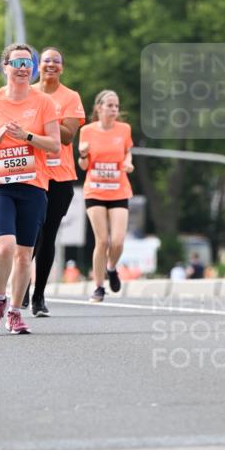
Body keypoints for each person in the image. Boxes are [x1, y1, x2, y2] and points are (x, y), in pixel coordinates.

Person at [0, 43, 60, 334]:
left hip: (32, 184)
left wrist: (28, 135)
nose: (23, 68)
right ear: (5, 67)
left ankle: (16, 312)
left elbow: (55, 144)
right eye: (17, 62)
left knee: (24, 254)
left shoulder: (44, 102)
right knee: (5, 246)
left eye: (27, 62)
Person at [23, 47, 85, 317]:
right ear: (39, 65)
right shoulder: (25, 93)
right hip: (30, 175)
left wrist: (45, 116)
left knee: (47, 236)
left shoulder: (70, 97)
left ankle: (38, 296)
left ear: (62, 67)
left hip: (59, 177)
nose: (50, 64)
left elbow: (68, 136)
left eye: (56, 61)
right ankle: (20, 287)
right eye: (46, 60)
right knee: (28, 235)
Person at [78, 90, 134, 303]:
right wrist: (83, 154)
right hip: (95, 190)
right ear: (99, 108)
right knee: (102, 240)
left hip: (119, 189)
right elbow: (83, 165)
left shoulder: (124, 129)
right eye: (110, 105)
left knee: (118, 241)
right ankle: (99, 287)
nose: (114, 110)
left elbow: (128, 151)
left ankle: (111, 268)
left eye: (116, 106)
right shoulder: (87, 131)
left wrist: (128, 162)